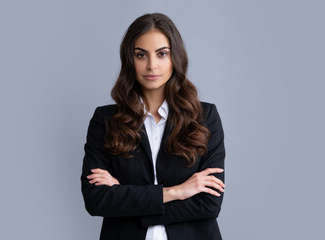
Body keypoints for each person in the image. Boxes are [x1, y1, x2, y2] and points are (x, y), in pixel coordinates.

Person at [81, 13, 226, 240]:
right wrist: (176, 192)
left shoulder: (205, 117)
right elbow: (96, 200)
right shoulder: (106, 120)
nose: (151, 65)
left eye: (162, 54)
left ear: (174, 57)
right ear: (130, 59)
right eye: (141, 55)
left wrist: (126, 200)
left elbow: (209, 204)